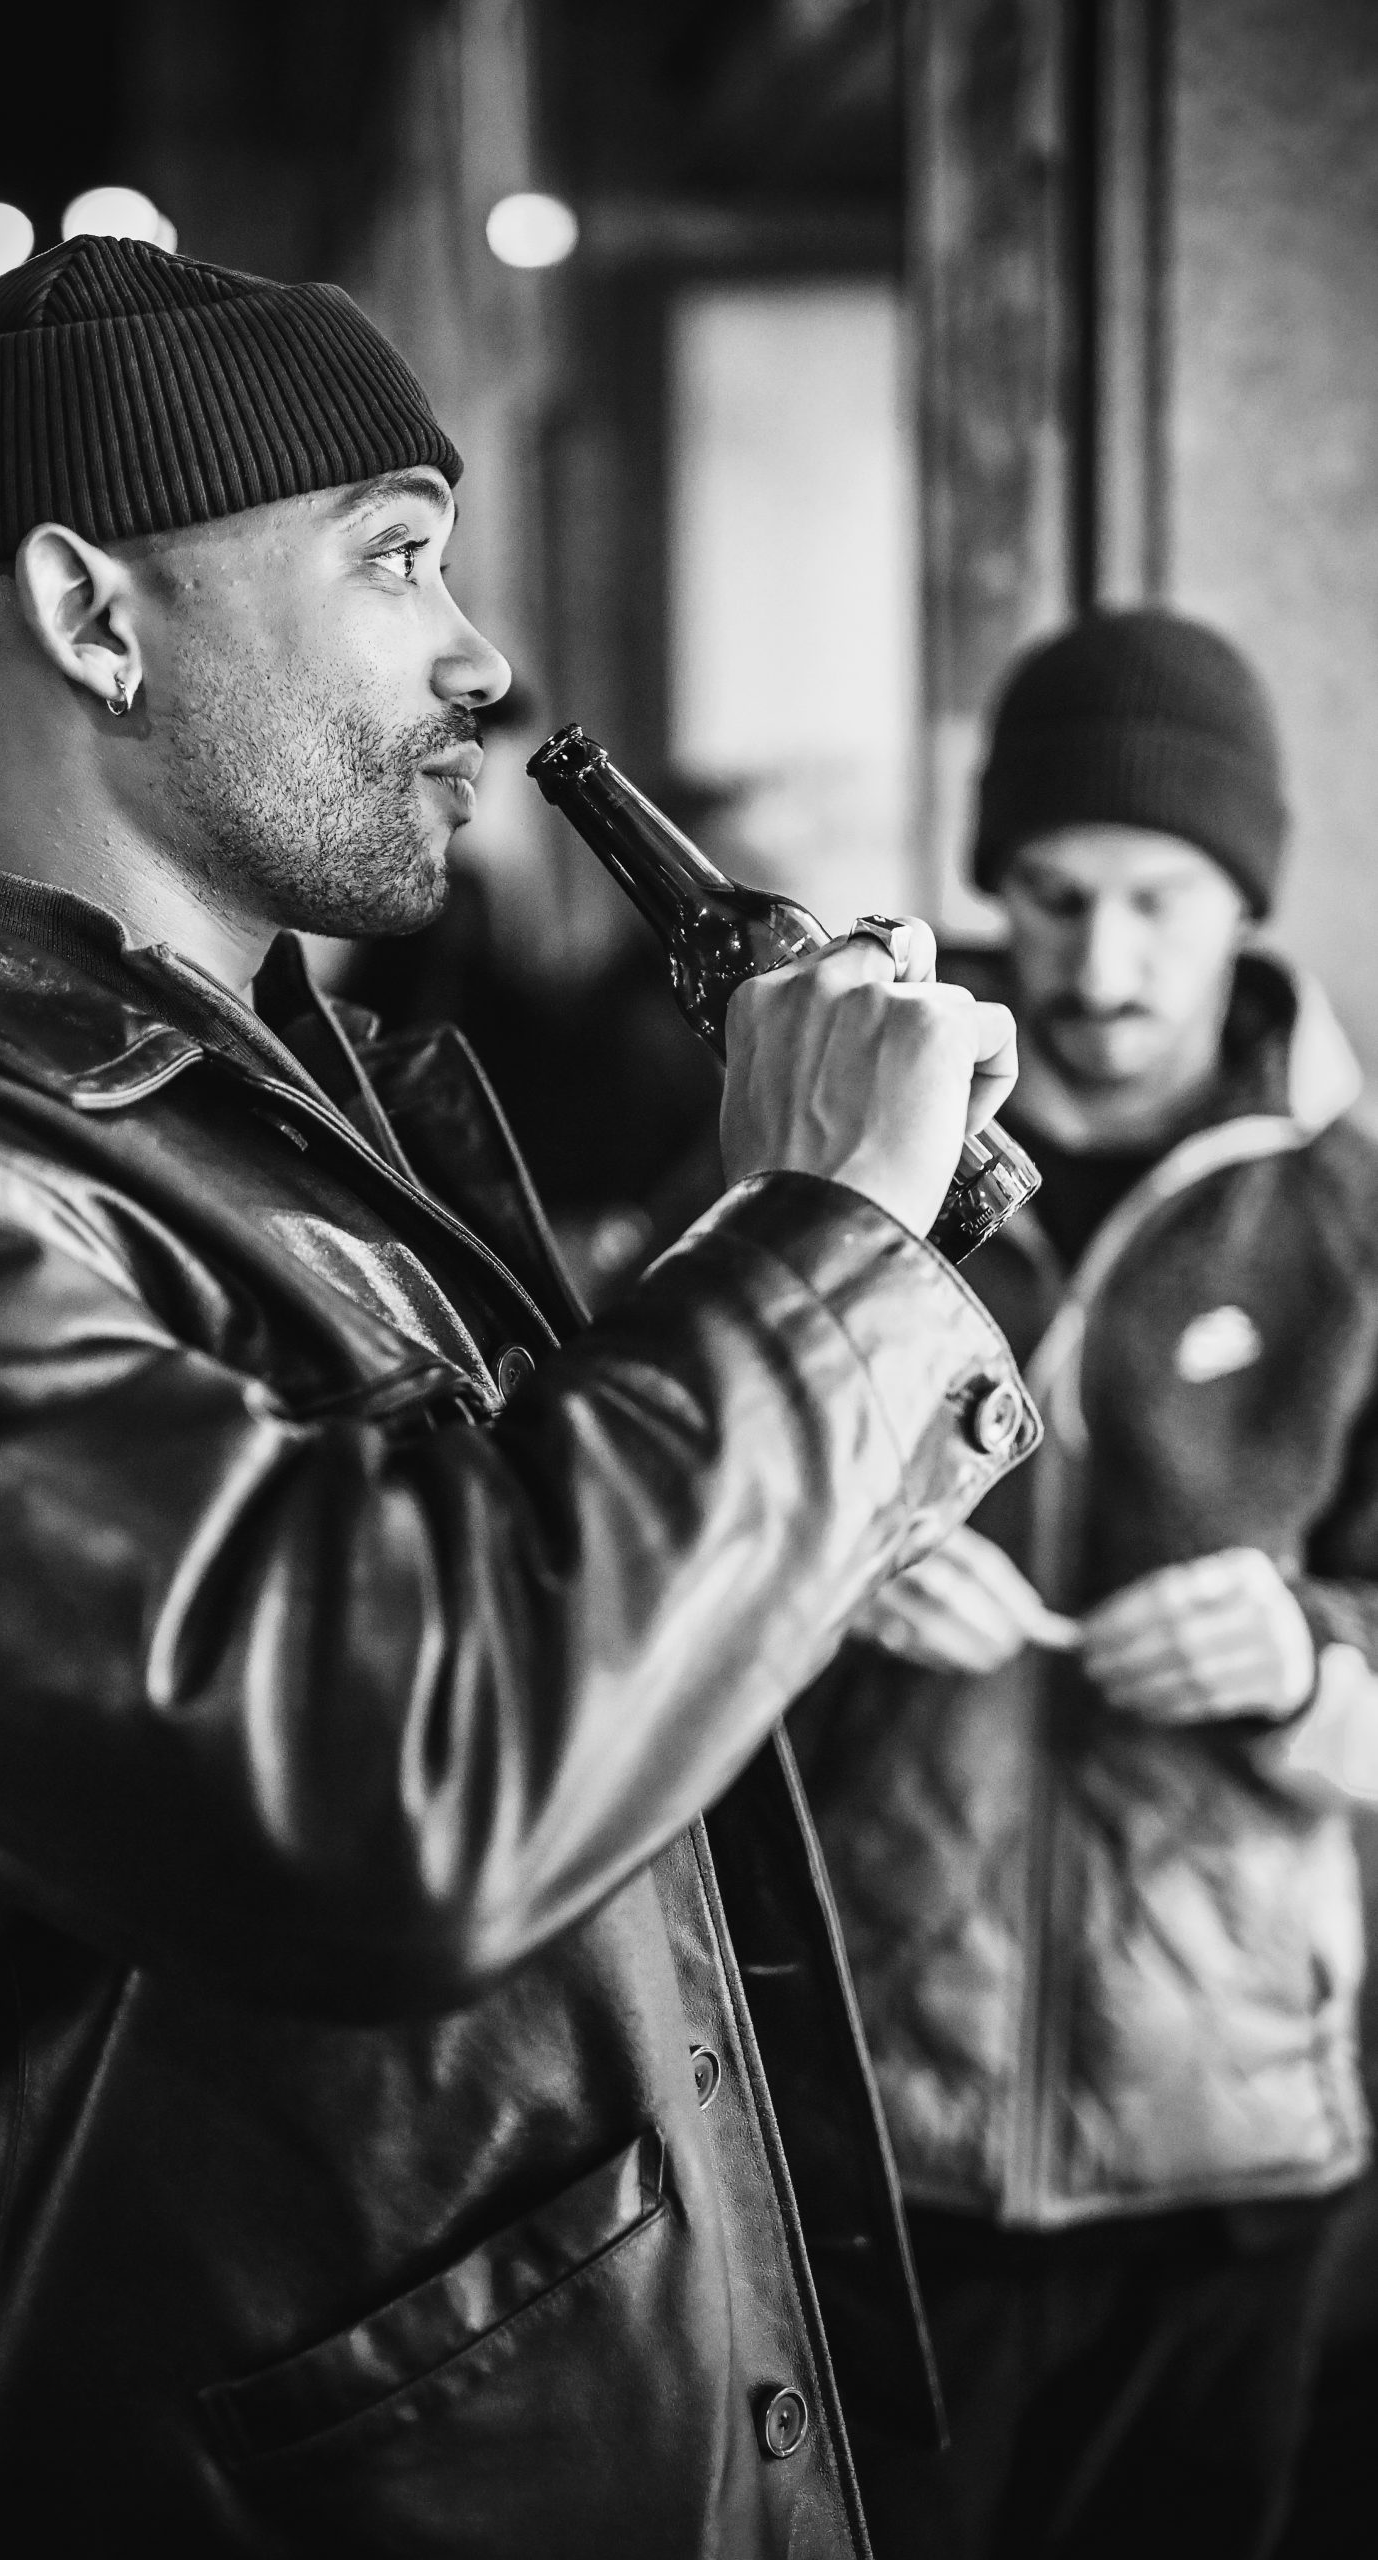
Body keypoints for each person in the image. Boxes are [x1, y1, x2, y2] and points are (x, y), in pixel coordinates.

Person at [0, 237, 1035, 2560]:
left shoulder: (270, 1110)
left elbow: (539, 1614)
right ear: (94, 616)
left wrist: (844, 1268)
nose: (479, 654)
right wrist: (815, 1246)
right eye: (395, 558)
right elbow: (399, 1780)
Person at [794, 608, 1378, 2560]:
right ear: (992, 889)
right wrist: (842, 1573)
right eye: (1051, 897)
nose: (1100, 966)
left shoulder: (1355, 1218)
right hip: (881, 2129)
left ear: (1246, 899)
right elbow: (651, 1567)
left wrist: (1303, 1663)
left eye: (1157, 900)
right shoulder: (855, 1182)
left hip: (1235, 2149)